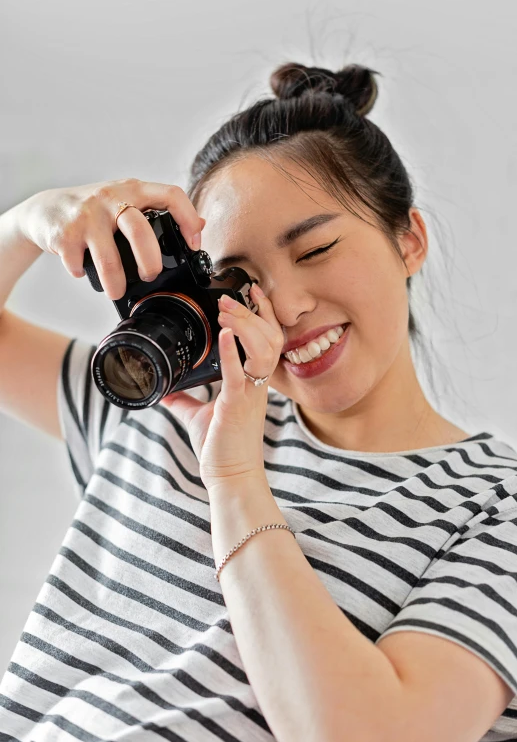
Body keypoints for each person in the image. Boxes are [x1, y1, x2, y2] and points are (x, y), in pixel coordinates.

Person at [0, 61, 516, 742]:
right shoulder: (160, 410)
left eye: (317, 249)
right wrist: (28, 220)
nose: (288, 306)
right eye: (240, 279)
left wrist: (236, 478)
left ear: (407, 239)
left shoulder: (491, 503)